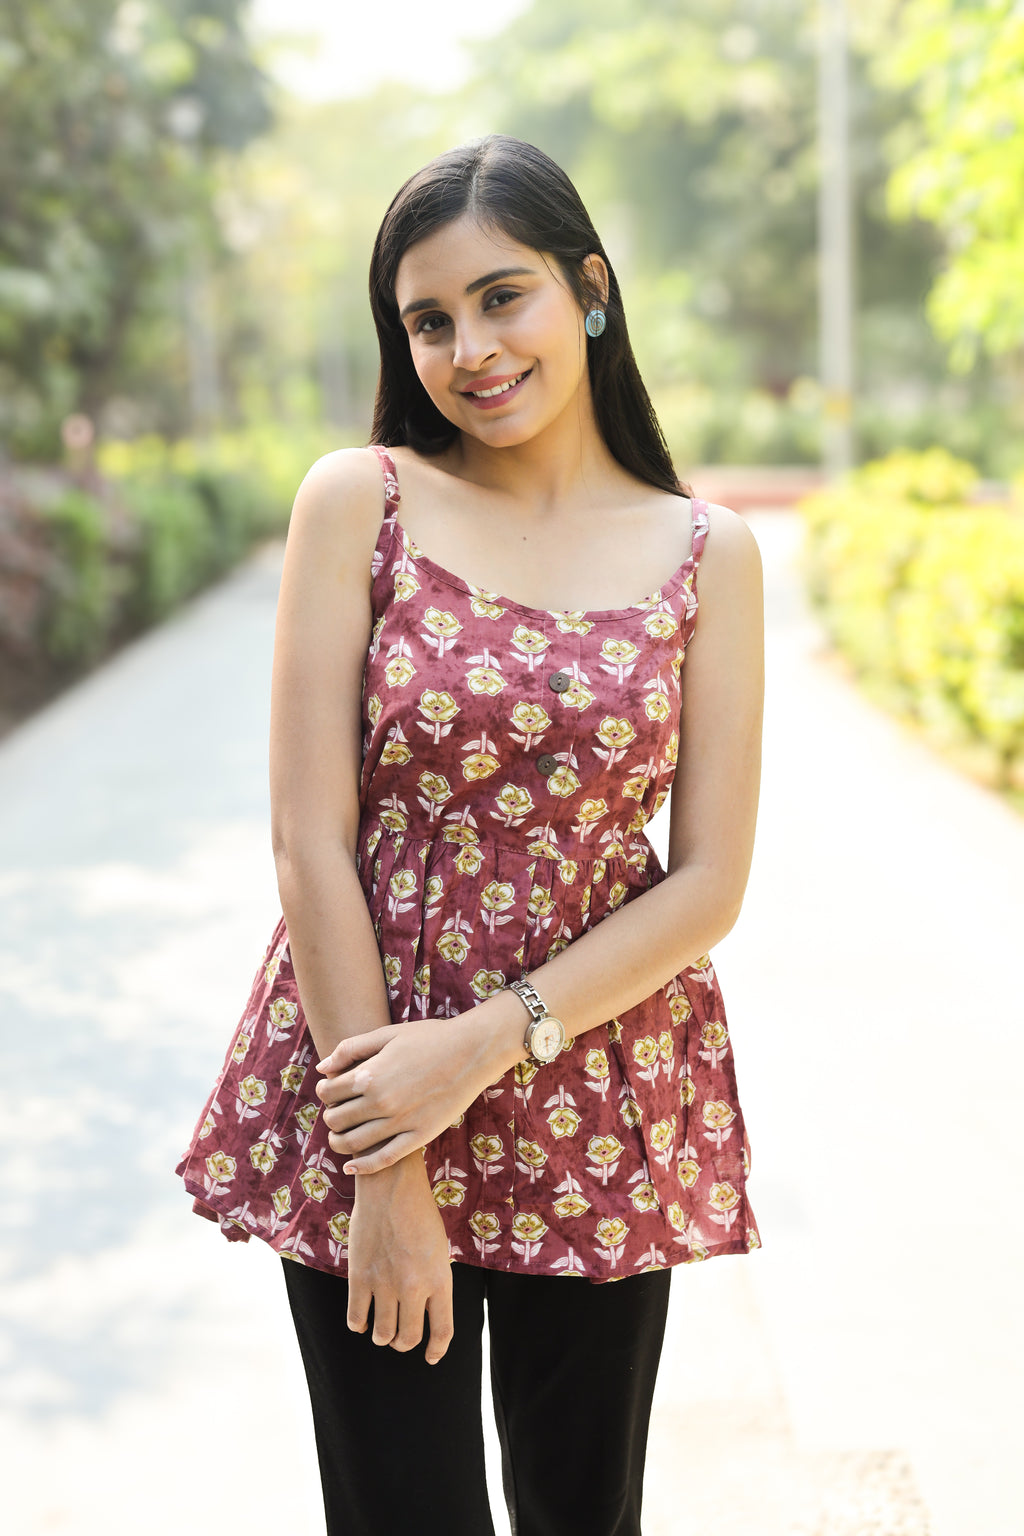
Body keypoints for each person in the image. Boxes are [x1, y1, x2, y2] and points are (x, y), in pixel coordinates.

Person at [176, 134, 764, 1536]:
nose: (469, 348)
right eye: (427, 319)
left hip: (600, 1093)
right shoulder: (360, 500)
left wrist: (487, 1043)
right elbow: (308, 839)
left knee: (583, 1515)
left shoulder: (707, 553)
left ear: (590, 290)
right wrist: (390, 1162)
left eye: (503, 298)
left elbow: (709, 882)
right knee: (401, 1517)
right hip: (364, 1083)